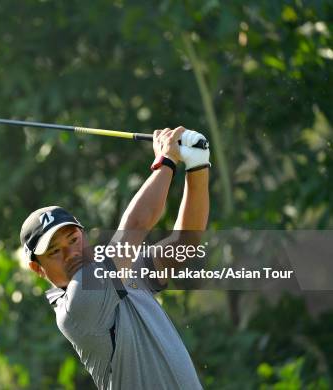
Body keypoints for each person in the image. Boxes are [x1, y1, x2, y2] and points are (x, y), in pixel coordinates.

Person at [19, 127, 210, 389]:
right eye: (54, 251)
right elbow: (135, 225)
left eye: (73, 240)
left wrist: (198, 166)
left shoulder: (117, 271)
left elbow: (183, 246)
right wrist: (166, 160)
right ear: (37, 268)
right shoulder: (78, 305)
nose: (70, 254)